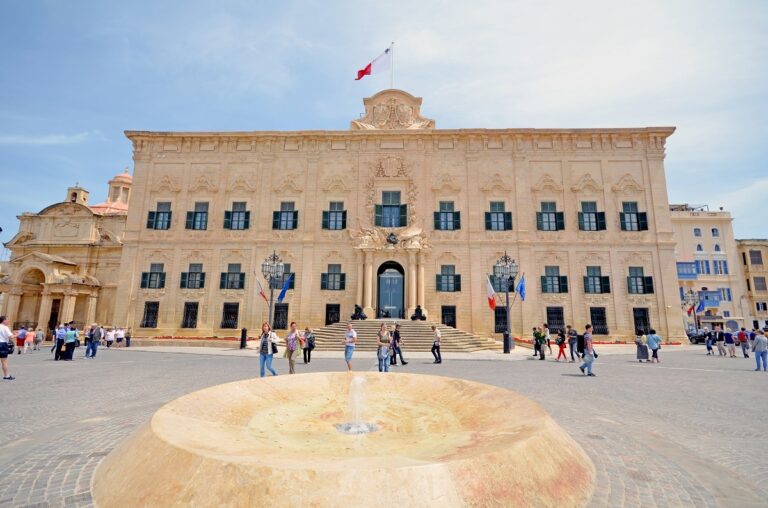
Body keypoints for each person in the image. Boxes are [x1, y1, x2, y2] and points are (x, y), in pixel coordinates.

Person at [0, 316, 15, 380]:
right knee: (4, 361)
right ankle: (6, 376)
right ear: (4, 320)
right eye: (7, 320)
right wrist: (17, 334)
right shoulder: (5, 327)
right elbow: (11, 337)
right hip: (2, 344)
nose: (8, 321)